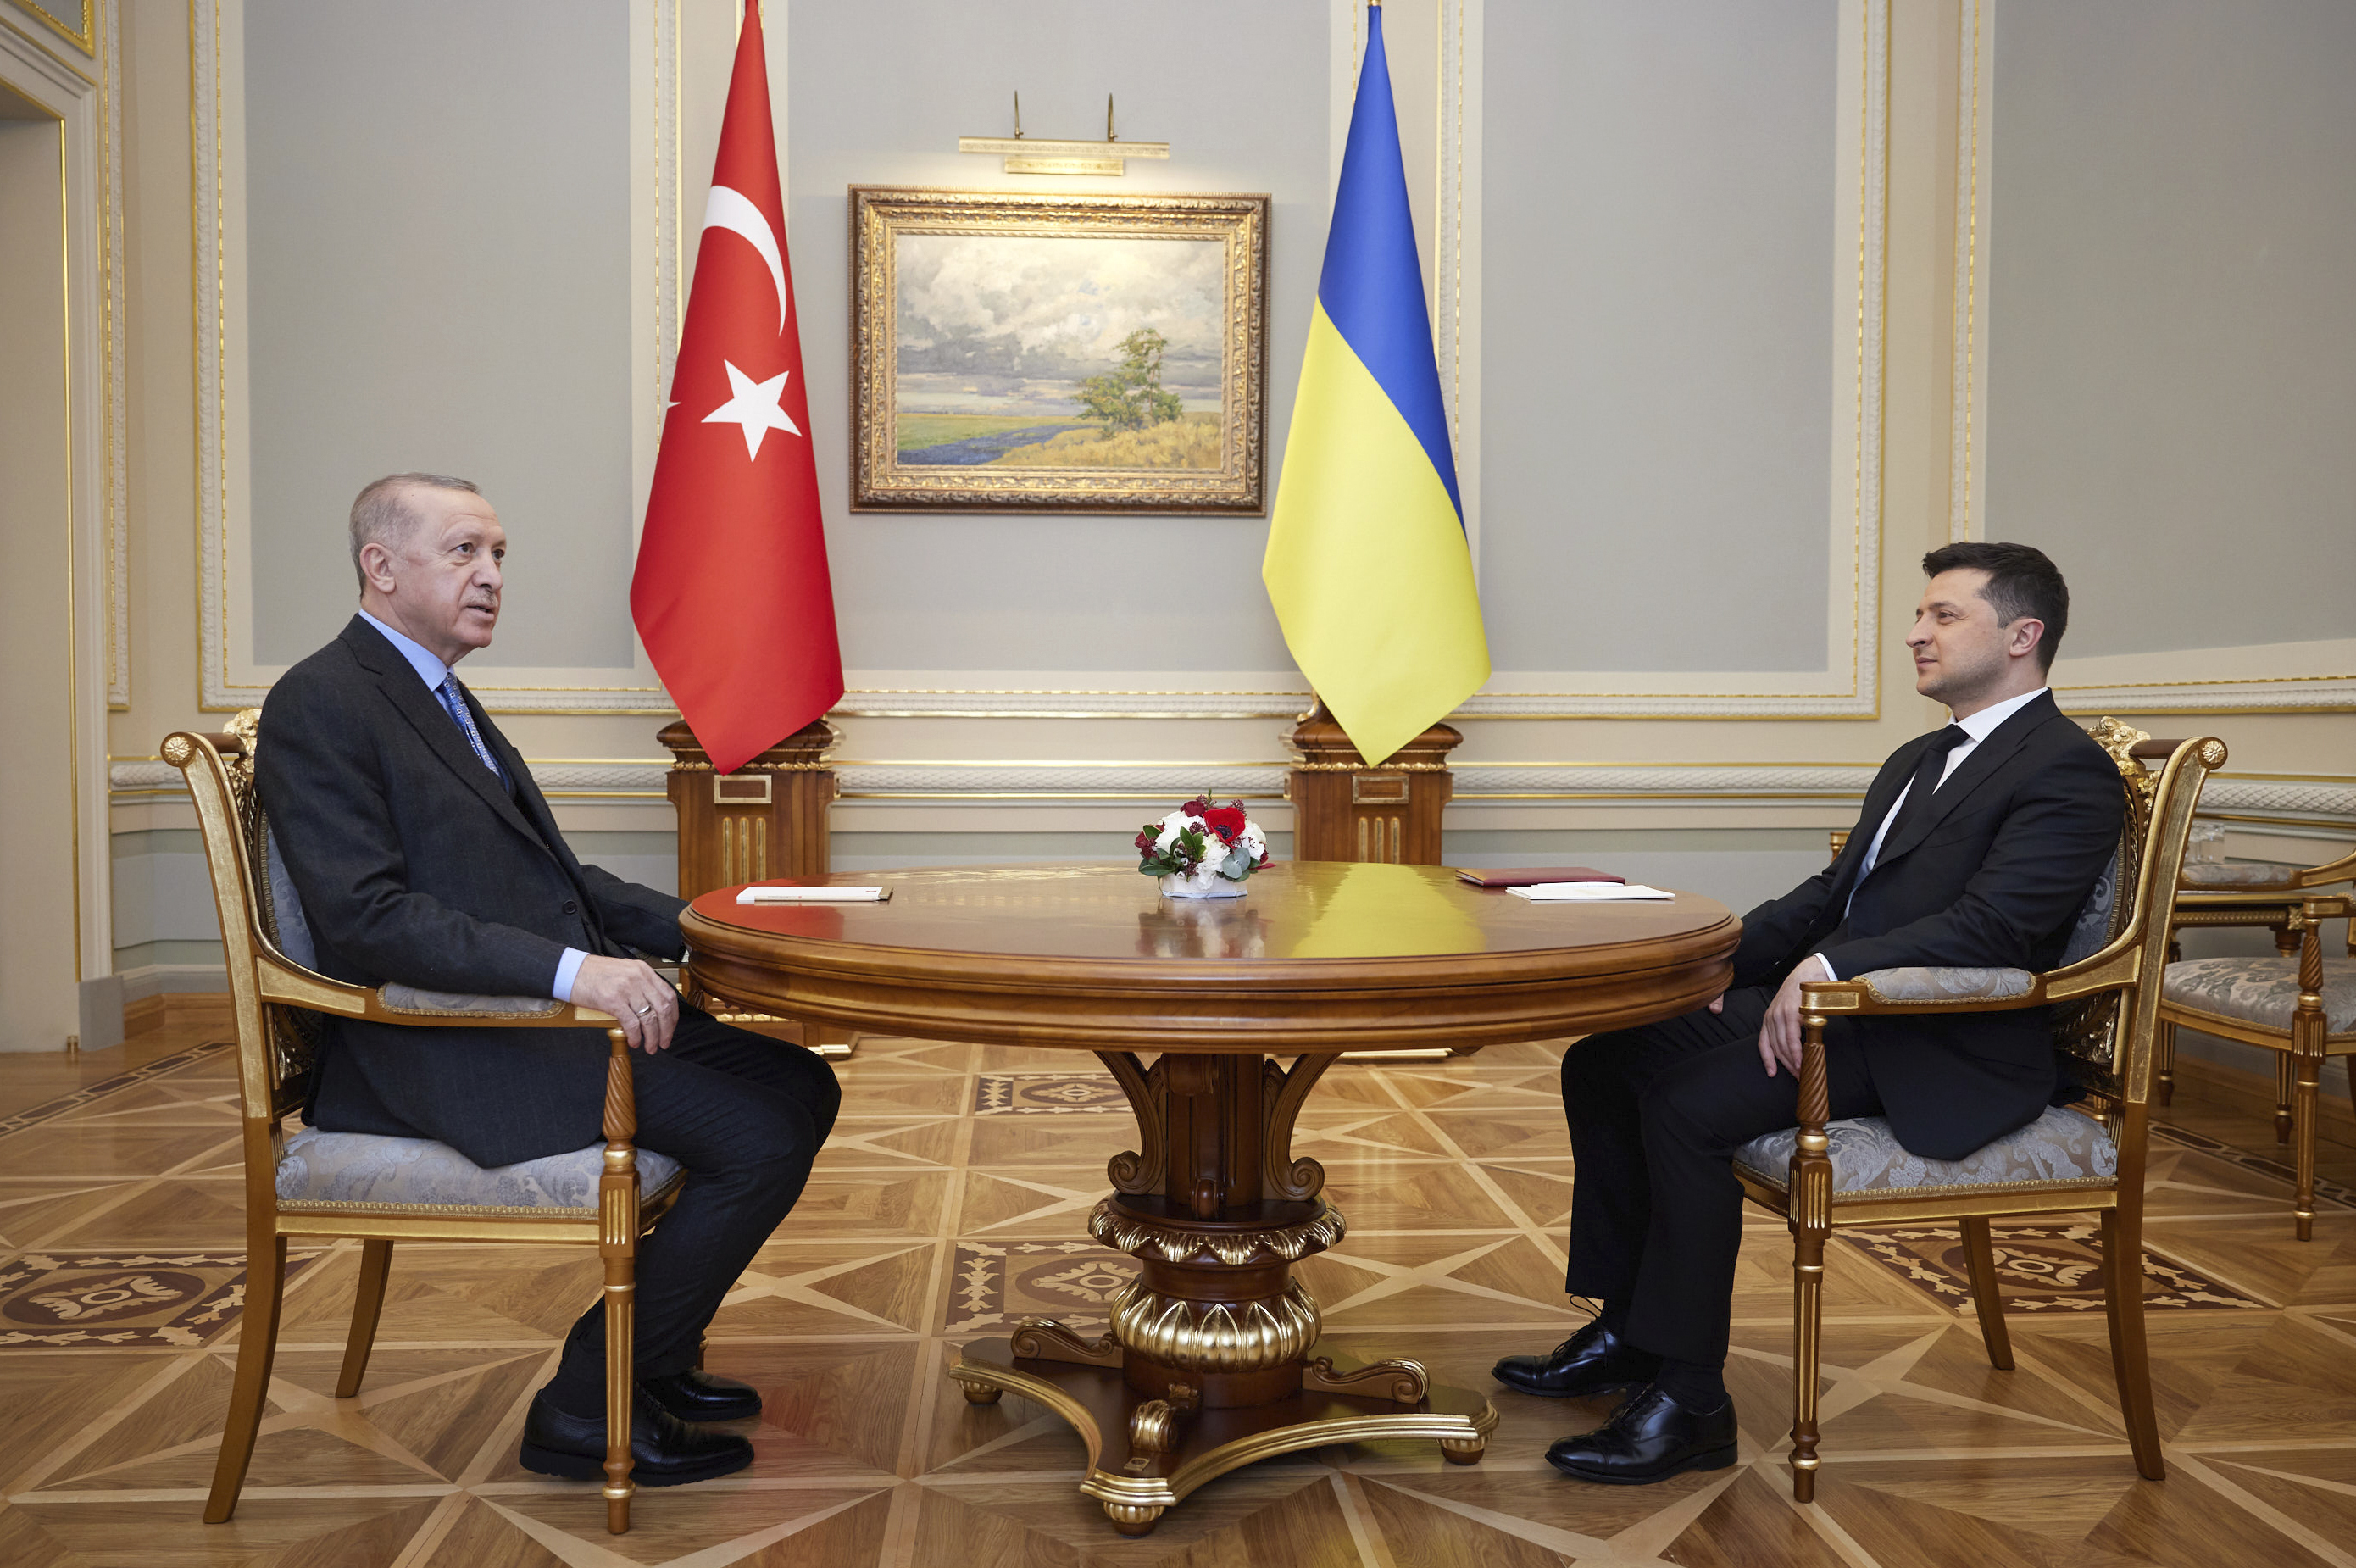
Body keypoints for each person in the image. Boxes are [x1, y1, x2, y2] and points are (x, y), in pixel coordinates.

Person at [1494, 542, 2124, 1485]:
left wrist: (1832, 964)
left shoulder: (2065, 770)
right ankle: (1628, 1325)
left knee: (1684, 1103)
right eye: (1920, 613)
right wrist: (1705, 965)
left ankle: (1689, 1397)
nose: (1915, 631)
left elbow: (2000, 925)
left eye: (1942, 615)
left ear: (2021, 634)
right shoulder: (1920, 754)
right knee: (1606, 1058)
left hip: (1935, 1036)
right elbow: (1828, 893)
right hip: (1842, 1008)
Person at [257, 472, 840, 1487]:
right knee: (756, 1134)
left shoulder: (437, 691)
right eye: (464, 553)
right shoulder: (323, 698)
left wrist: (732, 919)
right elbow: (367, 917)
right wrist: (583, 972)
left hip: (534, 1016)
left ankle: (652, 1357)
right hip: (441, 1045)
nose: (490, 577)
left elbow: (560, 882)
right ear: (380, 566)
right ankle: (587, 1396)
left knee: (802, 1085)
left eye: (498, 556)